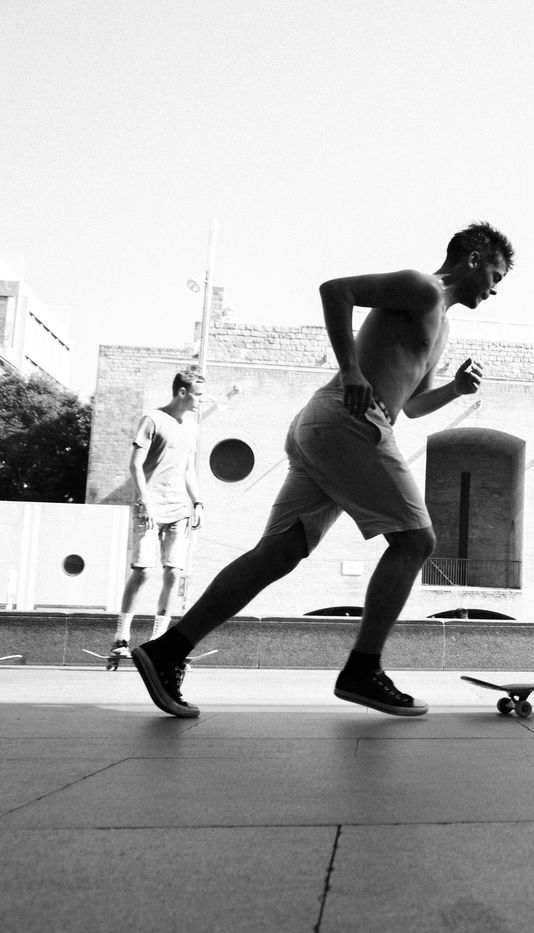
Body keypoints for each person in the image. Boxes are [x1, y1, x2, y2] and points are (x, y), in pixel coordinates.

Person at [133, 222, 514, 718]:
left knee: (276, 554)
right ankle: (363, 669)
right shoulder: (422, 287)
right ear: (473, 259)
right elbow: (336, 290)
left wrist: (456, 391)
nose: (495, 288)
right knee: (415, 542)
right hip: (350, 422)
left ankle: (168, 650)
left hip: (329, 430)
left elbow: (414, 405)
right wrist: (351, 370)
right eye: (495, 275)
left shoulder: (443, 327)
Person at [109, 369, 205, 664]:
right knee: (143, 572)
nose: (201, 400)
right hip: (149, 507)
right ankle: (121, 638)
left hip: (178, 509)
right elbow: (135, 465)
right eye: (198, 395)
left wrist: (197, 502)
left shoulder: (192, 428)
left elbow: (188, 469)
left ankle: (158, 641)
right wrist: (146, 501)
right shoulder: (152, 419)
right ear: (182, 392)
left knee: (173, 573)